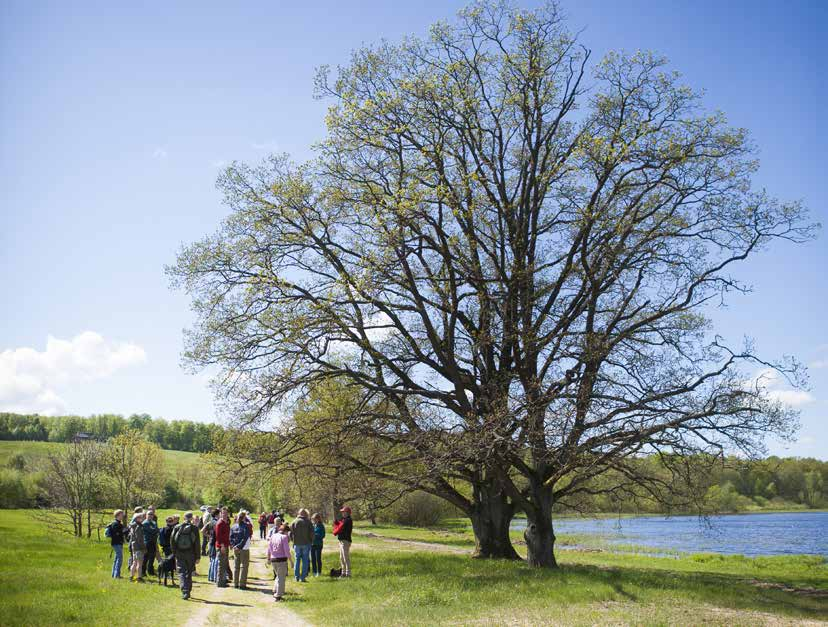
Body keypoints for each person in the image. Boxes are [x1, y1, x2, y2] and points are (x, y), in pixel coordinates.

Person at [172, 511, 200, 600]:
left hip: (180, 553)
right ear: (191, 518)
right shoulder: (194, 528)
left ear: (184, 518)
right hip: (190, 553)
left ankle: (185, 591)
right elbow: (197, 543)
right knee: (189, 572)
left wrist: (174, 552)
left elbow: (172, 541)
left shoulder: (177, 527)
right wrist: (198, 556)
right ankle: (188, 590)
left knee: (181, 572)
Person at [267, 524, 292, 602]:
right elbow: (286, 550)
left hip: (273, 559)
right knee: (282, 578)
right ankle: (278, 595)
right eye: (287, 532)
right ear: (285, 531)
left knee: (278, 576)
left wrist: (268, 558)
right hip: (281, 560)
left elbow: (269, 548)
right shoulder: (284, 537)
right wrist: (291, 561)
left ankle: (275, 590)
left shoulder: (273, 536)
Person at [290, 508, 313, 582]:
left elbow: (290, 533)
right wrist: (311, 541)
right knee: (305, 561)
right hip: (306, 543)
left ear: (299, 513)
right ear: (305, 514)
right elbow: (312, 533)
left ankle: (296, 577)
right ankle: (302, 578)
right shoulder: (308, 522)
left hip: (297, 543)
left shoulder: (294, 521)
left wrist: (292, 540)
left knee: (297, 560)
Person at [230, 511, 252, 589]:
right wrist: (239, 546)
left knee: (236, 566)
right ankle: (242, 585)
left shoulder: (233, 526)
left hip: (236, 548)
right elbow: (245, 538)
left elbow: (231, 538)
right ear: (244, 518)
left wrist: (234, 546)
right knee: (244, 567)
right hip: (243, 548)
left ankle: (235, 584)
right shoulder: (246, 526)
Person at [105, 509, 126, 578]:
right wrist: (123, 531)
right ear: (118, 515)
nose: (123, 516)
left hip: (117, 543)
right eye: (122, 514)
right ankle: (116, 575)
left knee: (116, 558)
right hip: (116, 543)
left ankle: (114, 574)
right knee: (119, 558)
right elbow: (116, 534)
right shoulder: (116, 524)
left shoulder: (118, 523)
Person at [333, 505, 353, 578]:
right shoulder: (344, 520)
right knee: (341, 558)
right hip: (341, 541)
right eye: (342, 512)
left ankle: (348, 573)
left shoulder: (348, 520)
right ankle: (343, 573)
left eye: (344, 512)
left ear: (348, 513)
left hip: (345, 541)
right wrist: (337, 523)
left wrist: (337, 524)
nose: (343, 513)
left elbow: (342, 527)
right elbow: (341, 525)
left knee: (345, 557)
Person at [214, 507, 231, 587]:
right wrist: (222, 546)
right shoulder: (219, 523)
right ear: (220, 513)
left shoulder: (226, 522)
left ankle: (223, 580)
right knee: (221, 564)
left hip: (226, 545)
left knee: (224, 564)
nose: (224, 515)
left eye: (226, 513)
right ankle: (220, 582)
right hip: (221, 546)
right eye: (223, 513)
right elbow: (218, 536)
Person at [128, 511, 146, 582]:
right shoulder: (139, 527)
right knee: (139, 563)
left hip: (134, 546)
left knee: (134, 562)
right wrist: (143, 547)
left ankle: (131, 577)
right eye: (141, 517)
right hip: (138, 547)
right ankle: (139, 577)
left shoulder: (133, 525)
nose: (143, 518)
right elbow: (140, 539)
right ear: (137, 518)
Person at [141, 509, 159, 577]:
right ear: (146, 515)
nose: (150, 516)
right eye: (149, 514)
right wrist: (156, 530)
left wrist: (156, 530)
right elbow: (153, 531)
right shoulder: (145, 523)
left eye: (152, 514)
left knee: (152, 557)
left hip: (153, 542)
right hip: (147, 542)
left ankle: (150, 571)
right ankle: (143, 572)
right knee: (146, 558)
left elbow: (156, 530)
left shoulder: (153, 522)